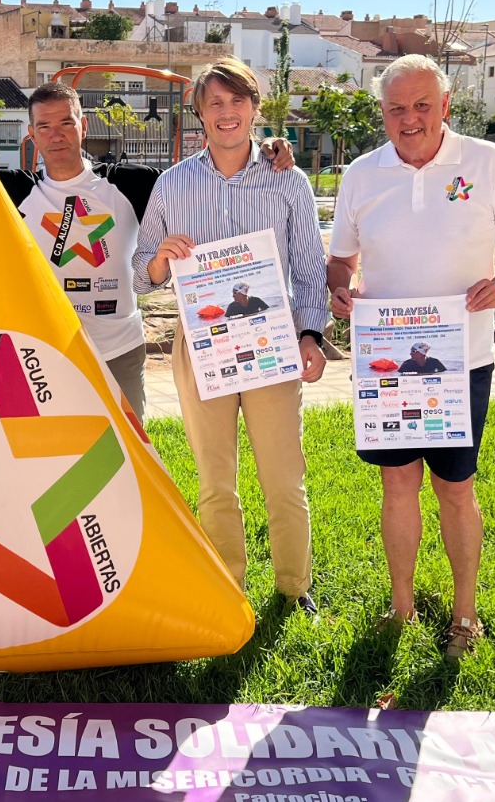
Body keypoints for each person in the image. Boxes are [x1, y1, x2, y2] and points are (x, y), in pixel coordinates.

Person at [326, 53, 495, 657]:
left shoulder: (487, 163)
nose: (410, 118)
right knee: (398, 485)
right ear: (383, 113)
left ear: (446, 106)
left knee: (456, 487)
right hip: (388, 364)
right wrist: (340, 286)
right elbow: (341, 258)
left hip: (461, 361)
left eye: (423, 105)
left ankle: (465, 615)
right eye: (397, 108)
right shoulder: (362, 176)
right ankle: (401, 606)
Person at [133, 57, 329, 615]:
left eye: (237, 100)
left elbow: (310, 268)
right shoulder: (173, 183)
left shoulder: (286, 179)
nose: (226, 112)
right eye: (214, 102)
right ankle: (227, 586)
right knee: (216, 480)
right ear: (199, 113)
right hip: (200, 348)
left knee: (284, 478)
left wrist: (311, 334)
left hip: (271, 347)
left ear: (254, 109)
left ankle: (295, 589)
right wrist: (159, 262)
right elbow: (140, 272)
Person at [0, 81, 294, 421]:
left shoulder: (131, 183)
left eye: (66, 123)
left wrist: (261, 148)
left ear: (83, 125)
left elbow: (205, 176)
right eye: (44, 126)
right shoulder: (11, 188)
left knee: (131, 459)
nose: (56, 135)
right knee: (59, 451)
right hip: (47, 351)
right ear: (31, 132)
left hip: (119, 349)